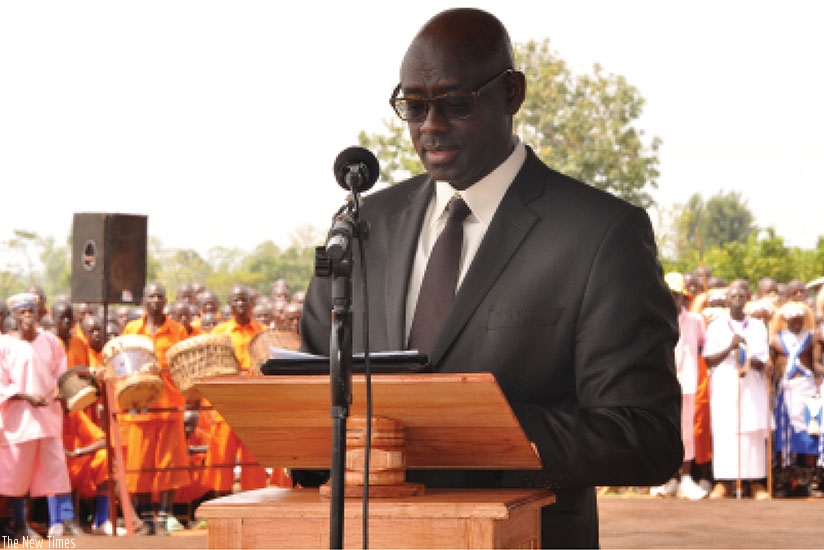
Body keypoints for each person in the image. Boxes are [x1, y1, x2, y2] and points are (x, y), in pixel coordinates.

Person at [298, 8, 681, 548]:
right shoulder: (362, 229)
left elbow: (645, 436)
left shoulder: (600, 233)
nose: (429, 125)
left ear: (511, 94)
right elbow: (307, 405)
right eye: (413, 105)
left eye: (454, 103)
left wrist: (471, 428)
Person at [0, 293, 83, 539]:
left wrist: (61, 390)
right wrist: (26, 397)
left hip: (48, 418)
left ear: (38, 314)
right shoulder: (4, 344)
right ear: (13, 317)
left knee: (54, 470)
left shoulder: (49, 341)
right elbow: (2, 384)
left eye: (30, 311)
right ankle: (19, 525)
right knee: (15, 476)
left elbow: (61, 372)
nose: (27, 316)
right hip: (19, 422)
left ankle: (65, 521)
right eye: (21, 312)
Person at [121, 282, 191, 535]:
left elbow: (185, 367)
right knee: (141, 464)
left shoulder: (177, 330)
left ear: (166, 300)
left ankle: (163, 518)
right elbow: (122, 364)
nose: (155, 300)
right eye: (150, 295)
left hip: (169, 406)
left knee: (169, 464)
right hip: (141, 407)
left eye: (160, 296)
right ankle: (146, 519)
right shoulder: (131, 329)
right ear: (143, 299)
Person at [703, 282, 770, 500]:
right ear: (727, 299)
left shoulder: (758, 326)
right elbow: (708, 359)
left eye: (742, 295)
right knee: (726, 433)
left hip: (751, 387)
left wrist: (748, 353)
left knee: (751, 433)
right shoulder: (716, 326)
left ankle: (755, 483)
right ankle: (724, 482)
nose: (737, 299)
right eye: (733, 295)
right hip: (725, 386)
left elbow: (764, 360)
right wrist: (731, 347)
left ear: (748, 298)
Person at [205, 284, 269, 495]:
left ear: (251, 304)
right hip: (226, 406)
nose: (240, 305)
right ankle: (219, 510)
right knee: (221, 460)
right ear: (229, 304)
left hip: (255, 408)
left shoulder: (264, 333)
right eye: (236, 300)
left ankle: (255, 511)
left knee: (254, 463)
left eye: (244, 300)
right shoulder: (219, 333)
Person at [651, 273, 708, 500]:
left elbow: (703, 346)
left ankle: (685, 478)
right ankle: (664, 478)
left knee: (687, 432)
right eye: (669, 294)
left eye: (677, 295)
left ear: (684, 298)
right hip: (661, 382)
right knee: (661, 429)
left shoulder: (695, 321)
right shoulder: (655, 317)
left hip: (687, 382)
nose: (673, 299)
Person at [771, 302, 823, 496]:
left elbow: (816, 363)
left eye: (799, 320)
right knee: (784, 437)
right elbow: (771, 363)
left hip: (806, 389)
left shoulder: (811, 338)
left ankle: (808, 482)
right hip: (786, 391)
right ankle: (784, 482)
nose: (796, 324)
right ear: (786, 320)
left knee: (809, 434)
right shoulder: (776, 340)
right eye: (792, 320)